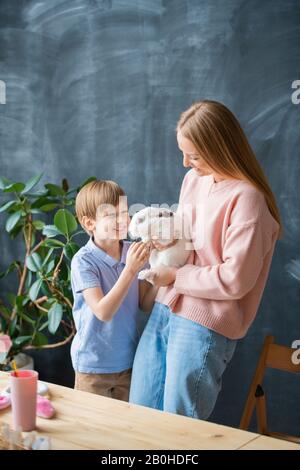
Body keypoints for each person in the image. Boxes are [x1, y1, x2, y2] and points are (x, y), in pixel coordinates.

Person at [129, 100, 281, 419]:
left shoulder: (248, 200)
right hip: (164, 307)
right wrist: (164, 236)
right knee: (139, 414)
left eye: (194, 155)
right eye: (183, 152)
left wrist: (175, 277)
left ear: (220, 148)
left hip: (203, 321)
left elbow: (234, 279)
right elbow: (189, 241)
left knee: (179, 427)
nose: (185, 163)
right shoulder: (194, 181)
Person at [70, 180, 157, 401]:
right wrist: (130, 270)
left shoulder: (133, 251)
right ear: (90, 223)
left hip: (128, 361)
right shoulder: (83, 261)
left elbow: (145, 304)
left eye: (125, 213)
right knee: (94, 430)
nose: (123, 220)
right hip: (93, 366)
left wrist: (159, 268)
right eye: (111, 215)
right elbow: (103, 312)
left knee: (125, 429)